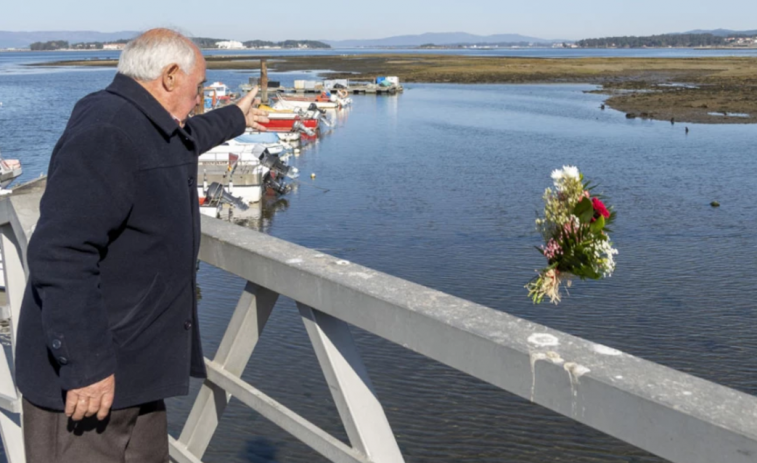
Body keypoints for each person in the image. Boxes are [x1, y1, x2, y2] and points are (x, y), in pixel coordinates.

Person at [15, 28, 269, 462]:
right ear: (170, 76)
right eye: (198, 87)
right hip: (91, 385)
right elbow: (61, 253)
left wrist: (237, 117)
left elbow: (185, 140)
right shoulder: (108, 131)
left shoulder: (143, 121)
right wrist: (87, 365)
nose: (199, 99)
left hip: (136, 372)